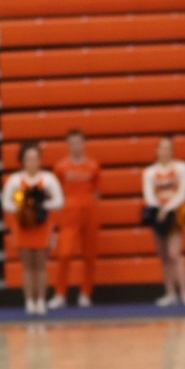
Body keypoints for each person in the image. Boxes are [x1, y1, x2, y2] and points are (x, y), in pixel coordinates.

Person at [2, 144, 63, 315]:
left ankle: (41, 300)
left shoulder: (48, 179)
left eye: (35, 158)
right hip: (23, 225)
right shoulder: (15, 180)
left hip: (43, 225)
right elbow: (6, 204)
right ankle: (29, 301)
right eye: (28, 158)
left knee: (41, 265)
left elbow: (59, 201)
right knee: (27, 265)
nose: (32, 162)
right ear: (22, 161)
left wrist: (41, 205)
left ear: (40, 160)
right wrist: (24, 209)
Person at [50, 129, 102, 309]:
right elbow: (55, 191)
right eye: (72, 143)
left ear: (84, 143)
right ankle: (60, 293)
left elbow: (97, 190)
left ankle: (86, 293)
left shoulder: (93, 166)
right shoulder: (60, 167)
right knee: (64, 253)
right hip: (68, 212)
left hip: (89, 211)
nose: (76, 146)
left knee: (89, 255)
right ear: (68, 145)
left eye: (79, 142)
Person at [142, 136, 185, 307]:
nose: (164, 151)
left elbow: (183, 191)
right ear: (156, 150)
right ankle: (170, 293)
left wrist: (167, 208)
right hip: (157, 215)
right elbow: (149, 194)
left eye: (168, 148)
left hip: (175, 214)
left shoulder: (181, 167)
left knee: (174, 254)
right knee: (164, 256)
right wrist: (158, 209)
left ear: (172, 150)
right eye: (161, 148)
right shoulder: (149, 172)